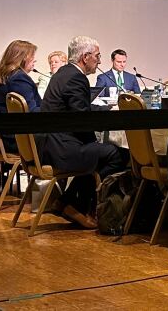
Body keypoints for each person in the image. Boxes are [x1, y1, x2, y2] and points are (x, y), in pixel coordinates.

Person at [41, 36, 128, 229]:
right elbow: (82, 119)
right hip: (63, 149)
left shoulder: (64, 73)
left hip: (54, 143)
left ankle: (66, 201)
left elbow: (80, 111)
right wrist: (111, 114)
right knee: (118, 154)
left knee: (98, 150)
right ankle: (78, 205)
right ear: (85, 56)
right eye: (97, 56)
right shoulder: (75, 77)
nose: (99, 61)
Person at [0, 40, 42, 114]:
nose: (35, 60)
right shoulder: (19, 79)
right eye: (32, 56)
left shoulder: (9, 74)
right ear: (23, 58)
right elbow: (32, 111)